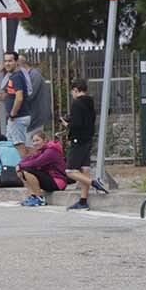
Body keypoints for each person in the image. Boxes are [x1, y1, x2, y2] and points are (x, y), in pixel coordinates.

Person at [61, 78, 101, 210]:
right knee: (85, 169)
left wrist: (67, 124)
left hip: (78, 140)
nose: (72, 94)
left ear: (75, 90)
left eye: (72, 92)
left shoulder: (77, 103)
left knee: (70, 171)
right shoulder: (90, 103)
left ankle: (93, 183)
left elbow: (77, 124)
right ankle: (83, 201)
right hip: (88, 138)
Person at [15, 130, 68, 206]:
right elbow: (30, 159)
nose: (35, 143)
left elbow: (36, 162)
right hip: (50, 179)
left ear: (45, 140)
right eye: (33, 141)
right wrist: (19, 165)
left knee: (27, 170)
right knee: (21, 171)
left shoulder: (51, 151)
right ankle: (33, 196)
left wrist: (20, 166)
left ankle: (40, 198)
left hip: (58, 182)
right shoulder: (42, 151)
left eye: (37, 140)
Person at [0, 51, 32, 155]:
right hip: (18, 118)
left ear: (16, 62)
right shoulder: (15, 75)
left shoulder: (16, 77)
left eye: (10, 61)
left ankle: (27, 165)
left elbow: (19, 98)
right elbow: (14, 94)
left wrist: (13, 114)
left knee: (19, 147)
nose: (7, 64)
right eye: (5, 61)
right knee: (13, 145)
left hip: (18, 117)